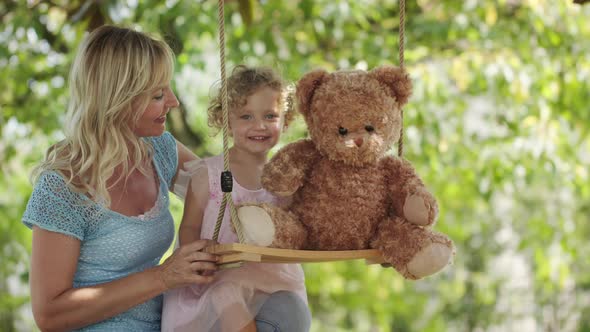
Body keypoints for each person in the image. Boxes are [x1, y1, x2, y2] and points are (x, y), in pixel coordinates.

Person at [21, 25, 220, 331]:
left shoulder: (159, 150)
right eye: (158, 94)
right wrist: (163, 276)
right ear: (118, 99)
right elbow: (49, 314)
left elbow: (221, 193)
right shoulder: (63, 187)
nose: (174, 102)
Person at [162, 65, 311, 332]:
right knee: (227, 292)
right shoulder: (209, 173)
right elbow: (189, 226)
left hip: (271, 279)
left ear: (285, 120)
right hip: (218, 278)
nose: (260, 126)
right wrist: (197, 257)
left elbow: (297, 223)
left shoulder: (286, 178)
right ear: (226, 121)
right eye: (246, 116)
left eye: (270, 116)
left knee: (292, 314)